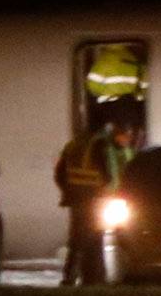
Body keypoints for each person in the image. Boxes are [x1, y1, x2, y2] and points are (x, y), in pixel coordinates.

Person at [52, 114, 136, 285]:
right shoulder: (100, 145)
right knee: (94, 239)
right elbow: (108, 175)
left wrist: (68, 192)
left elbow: (59, 173)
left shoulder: (74, 144)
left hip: (77, 200)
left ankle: (75, 277)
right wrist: (112, 194)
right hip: (95, 199)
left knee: (78, 240)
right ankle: (93, 278)